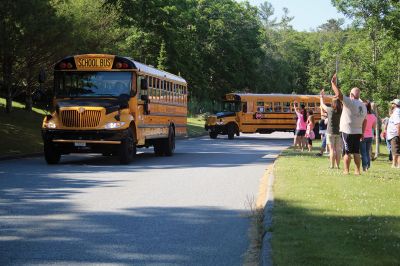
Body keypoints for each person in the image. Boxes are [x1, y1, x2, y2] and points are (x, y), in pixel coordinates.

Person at [331, 73, 367, 175]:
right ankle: (357, 171)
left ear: (351, 95)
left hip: (347, 131)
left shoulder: (350, 102)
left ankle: (346, 170)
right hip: (358, 131)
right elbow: (365, 120)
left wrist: (333, 83)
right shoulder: (363, 106)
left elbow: (339, 95)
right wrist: (363, 133)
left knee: (346, 152)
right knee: (356, 152)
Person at [320, 90, 342, 169]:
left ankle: (332, 166)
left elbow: (322, 105)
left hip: (330, 132)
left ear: (333, 103)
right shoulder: (341, 111)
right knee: (338, 149)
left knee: (332, 149)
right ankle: (338, 165)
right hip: (338, 132)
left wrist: (321, 97)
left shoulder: (330, 110)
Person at [360, 101, 377, 171]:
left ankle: (364, 166)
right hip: (370, 136)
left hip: (363, 135)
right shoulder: (373, 116)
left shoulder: (362, 116)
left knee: (363, 152)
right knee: (367, 152)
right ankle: (368, 165)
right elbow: (374, 126)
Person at [386, 99, 400, 168]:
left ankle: (397, 165)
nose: (391, 105)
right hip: (394, 134)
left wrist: (398, 134)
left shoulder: (397, 112)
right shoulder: (395, 112)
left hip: (395, 134)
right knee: (394, 150)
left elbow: (398, 124)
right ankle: (394, 164)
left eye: (392, 104)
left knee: (396, 151)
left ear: (395, 105)